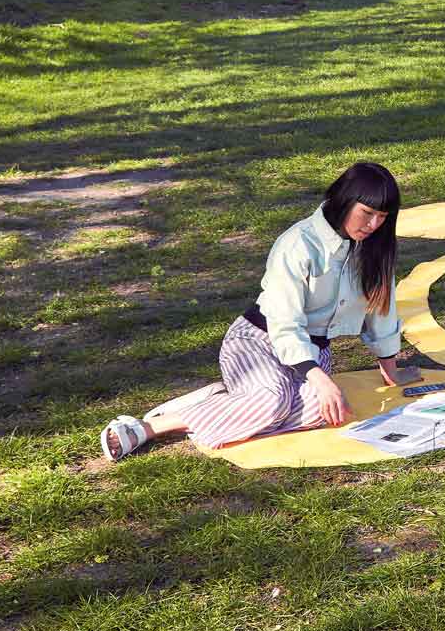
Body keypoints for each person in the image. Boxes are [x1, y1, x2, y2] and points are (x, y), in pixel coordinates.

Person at [99, 162, 413, 460]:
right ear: (344, 200)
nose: (374, 225)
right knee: (272, 403)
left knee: (325, 411)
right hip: (259, 341)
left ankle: (225, 403)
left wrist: (391, 372)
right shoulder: (298, 244)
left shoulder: (375, 249)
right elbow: (284, 323)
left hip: (314, 352)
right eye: (367, 213)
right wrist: (321, 379)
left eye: (382, 217)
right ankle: (148, 427)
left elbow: (381, 312)